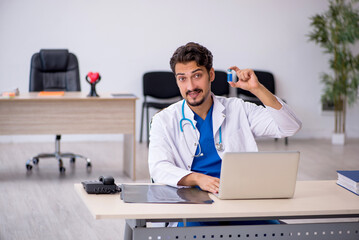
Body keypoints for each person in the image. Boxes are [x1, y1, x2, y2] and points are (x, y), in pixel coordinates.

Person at [148, 42, 302, 195]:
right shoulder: (164, 120)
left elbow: (290, 127)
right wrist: (197, 179)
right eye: (182, 78)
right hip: (192, 201)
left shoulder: (238, 109)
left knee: (267, 221)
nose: (191, 86)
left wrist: (258, 89)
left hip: (239, 195)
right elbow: (158, 168)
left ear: (211, 75)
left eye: (197, 75)